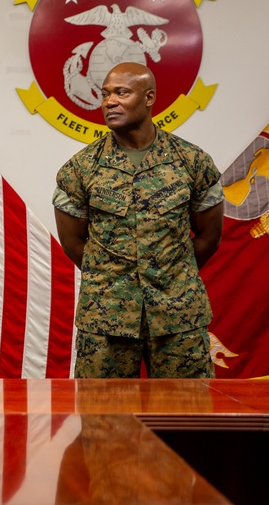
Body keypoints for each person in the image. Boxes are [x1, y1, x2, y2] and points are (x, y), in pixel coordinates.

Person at [52, 62, 223, 379]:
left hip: (178, 316)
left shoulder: (192, 161)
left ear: (149, 97)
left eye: (121, 92)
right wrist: (115, 277)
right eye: (105, 94)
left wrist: (172, 273)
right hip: (106, 319)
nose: (109, 102)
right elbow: (74, 243)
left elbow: (209, 237)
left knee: (188, 414)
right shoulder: (80, 169)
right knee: (103, 419)